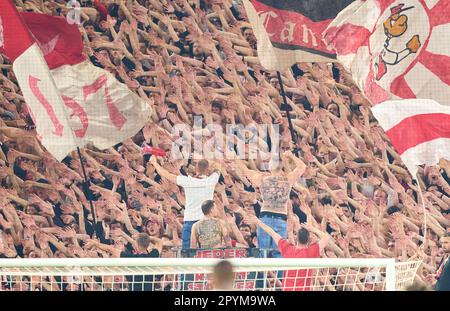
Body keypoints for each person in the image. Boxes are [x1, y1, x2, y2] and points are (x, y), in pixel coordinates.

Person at [237, 151, 306, 258]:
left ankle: (262, 275)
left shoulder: (262, 178)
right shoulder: (287, 179)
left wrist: (235, 158)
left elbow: (244, 170)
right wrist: (291, 156)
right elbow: (302, 166)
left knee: (263, 252)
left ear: (270, 166)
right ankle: (279, 275)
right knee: (278, 253)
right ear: (281, 165)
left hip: (266, 218)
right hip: (280, 219)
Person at [149, 157, 221, 250]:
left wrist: (155, 163)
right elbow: (218, 165)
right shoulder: (211, 180)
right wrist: (208, 161)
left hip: (190, 222)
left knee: (187, 253)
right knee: (208, 252)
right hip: (207, 221)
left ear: (196, 169)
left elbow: (165, 174)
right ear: (208, 169)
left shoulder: (188, 181)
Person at [250, 216, 330, 291]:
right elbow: (326, 237)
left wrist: (258, 221)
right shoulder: (311, 252)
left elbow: (272, 232)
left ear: (297, 238)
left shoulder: (288, 249)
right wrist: (312, 228)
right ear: (308, 239)